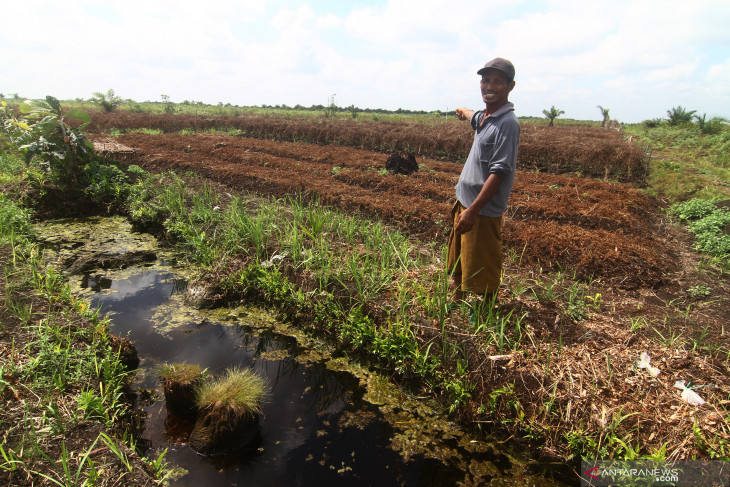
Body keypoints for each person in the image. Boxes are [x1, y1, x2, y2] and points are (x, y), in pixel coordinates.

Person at [448, 57, 519, 305]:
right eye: (485, 80)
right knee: (459, 257)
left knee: (484, 265)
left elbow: (499, 172)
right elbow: (473, 116)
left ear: (510, 86)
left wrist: (473, 212)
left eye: (497, 82)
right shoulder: (485, 118)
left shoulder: (507, 123)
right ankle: (456, 302)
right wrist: (463, 110)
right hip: (464, 201)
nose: (489, 86)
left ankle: (486, 313)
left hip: (482, 210)